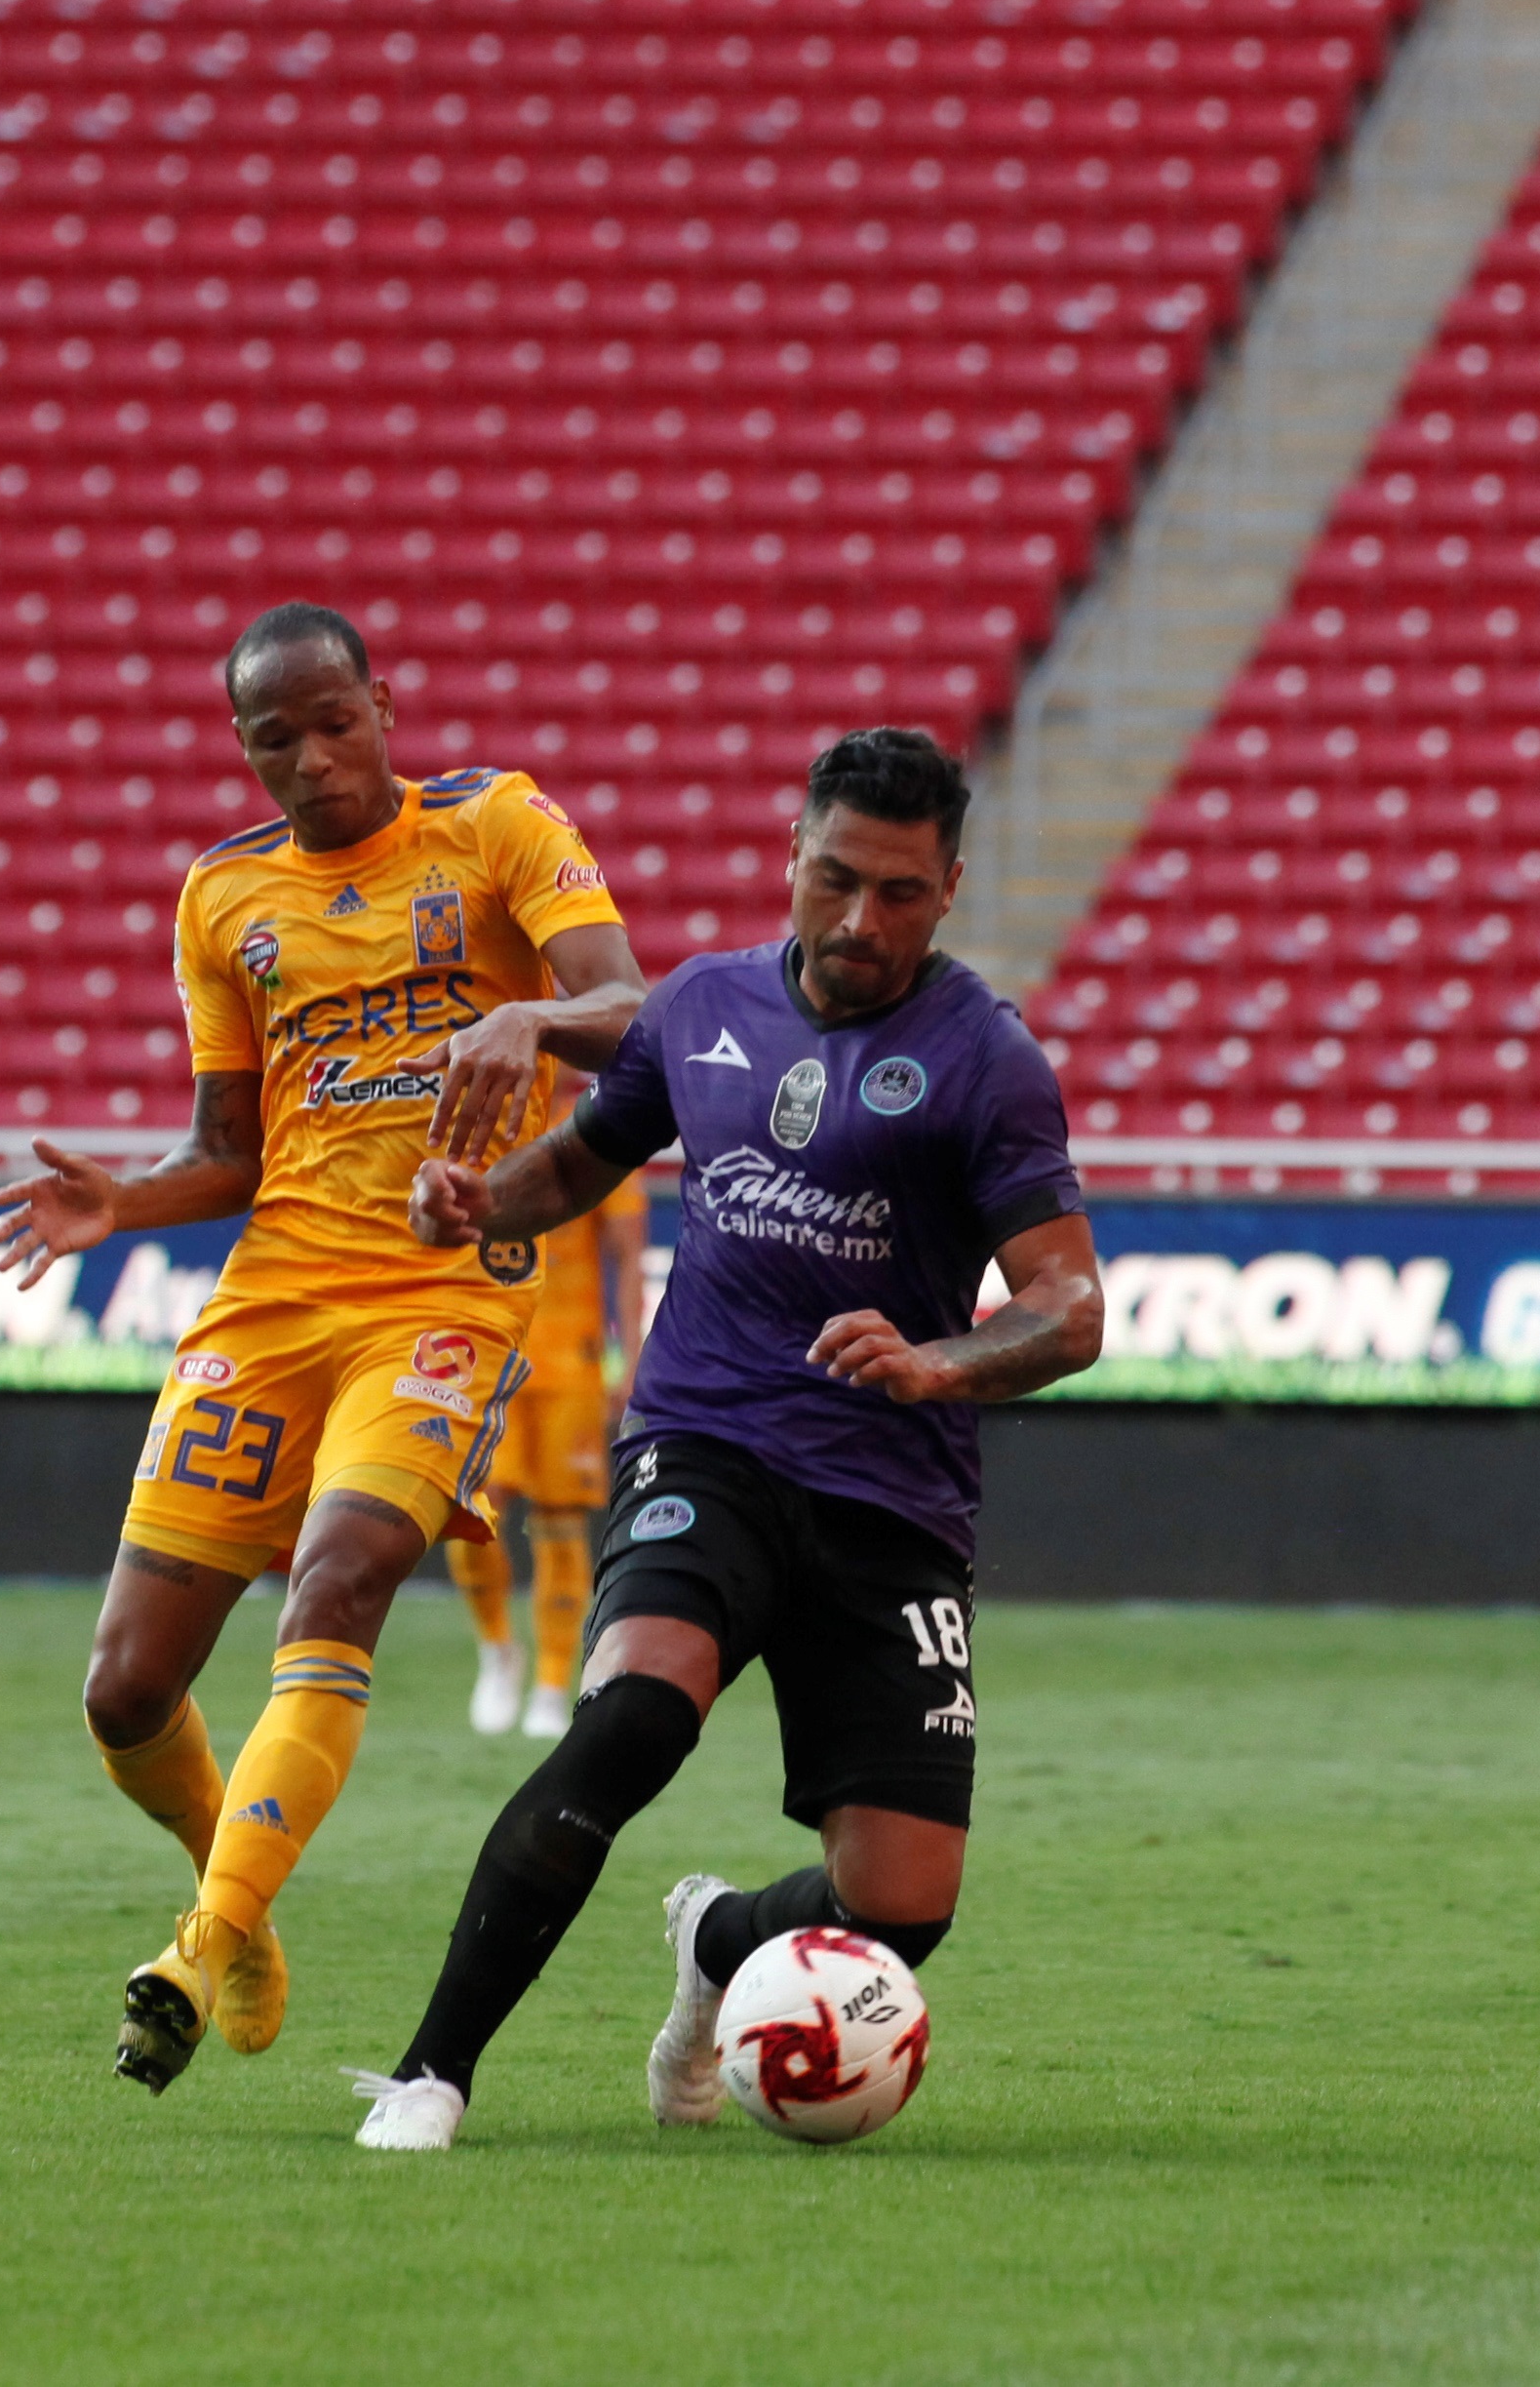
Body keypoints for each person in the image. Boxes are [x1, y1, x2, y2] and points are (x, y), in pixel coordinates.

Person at [345, 727, 1107, 2152]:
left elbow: (1069, 1311)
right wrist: (480, 1202)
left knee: (898, 1911)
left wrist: (936, 1362)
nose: (857, 921)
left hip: (891, 1495)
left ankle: (716, 1946)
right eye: (834, 880)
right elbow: (581, 1158)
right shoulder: (700, 1008)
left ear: (945, 890)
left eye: (895, 893)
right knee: (632, 1711)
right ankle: (429, 2074)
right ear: (791, 860)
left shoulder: (987, 1060)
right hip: (705, 1440)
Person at [0, 601, 645, 2093]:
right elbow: (228, 1148)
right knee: (123, 1690)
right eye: (270, 737)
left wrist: (530, 1021)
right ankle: (240, 1894)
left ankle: (205, 1935)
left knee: (340, 1574)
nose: (307, 757)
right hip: (272, 1294)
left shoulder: (493, 823)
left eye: (332, 720)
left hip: (443, 1287)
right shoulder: (221, 897)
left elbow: (639, 1014)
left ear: (384, 705)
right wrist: (126, 1200)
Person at [449, 1100, 648, 1742]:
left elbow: (627, 1255)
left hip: (571, 1363)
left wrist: (633, 1359)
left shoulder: (602, 1126)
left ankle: (553, 1678)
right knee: (473, 1516)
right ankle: (497, 1650)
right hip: (487, 1359)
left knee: (560, 1523)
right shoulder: (478, 1123)